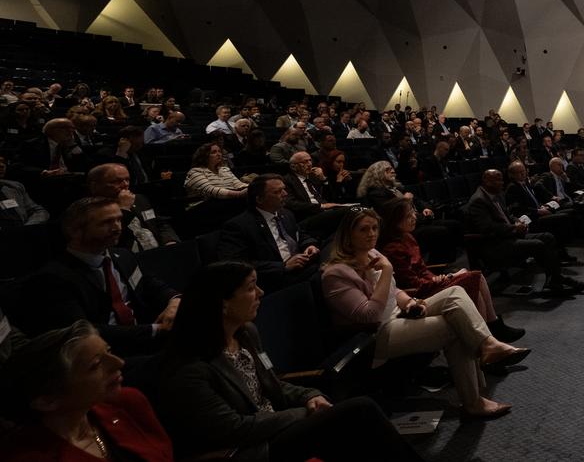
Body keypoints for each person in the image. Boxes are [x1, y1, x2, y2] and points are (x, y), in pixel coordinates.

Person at [155, 261, 420, 461]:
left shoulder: (245, 333)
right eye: (250, 288)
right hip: (249, 449)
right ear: (223, 304)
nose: (261, 293)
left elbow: (273, 384)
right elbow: (233, 429)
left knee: (355, 432)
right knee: (359, 411)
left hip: (274, 427)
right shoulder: (189, 366)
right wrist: (302, 414)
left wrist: (310, 396)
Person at [320, 209, 524, 419]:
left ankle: (488, 344)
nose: (371, 234)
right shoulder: (335, 274)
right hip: (375, 335)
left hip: (398, 315)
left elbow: (393, 291)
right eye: (363, 229)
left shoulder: (373, 254)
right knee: (454, 326)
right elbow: (369, 315)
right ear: (348, 235)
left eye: (374, 228)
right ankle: (473, 401)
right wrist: (387, 271)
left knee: (455, 293)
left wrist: (410, 302)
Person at [2, 321, 175, 461]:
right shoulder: (27, 456)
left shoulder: (128, 401)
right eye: (96, 365)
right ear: (47, 401)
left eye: (108, 351)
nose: (119, 363)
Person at [29, 197, 180, 356]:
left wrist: (175, 301)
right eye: (106, 222)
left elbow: (152, 286)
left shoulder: (123, 256)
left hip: (146, 340)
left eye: (119, 220)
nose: (117, 227)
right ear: (74, 231)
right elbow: (82, 331)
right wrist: (156, 330)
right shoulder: (53, 278)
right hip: (106, 354)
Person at [376, 198, 524, 343]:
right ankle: (491, 330)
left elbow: (422, 269)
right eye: (408, 216)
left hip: (429, 283)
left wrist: (438, 278)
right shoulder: (393, 249)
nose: (414, 217)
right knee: (474, 278)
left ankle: (490, 330)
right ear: (395, 221)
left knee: (474, 279)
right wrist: (443, 279)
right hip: (417, 294)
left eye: (413, 213)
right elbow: (411, 283)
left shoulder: (407, 237)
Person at [465, 169, 584, 297]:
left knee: (548, 237)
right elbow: (488, 228)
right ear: (486, 181)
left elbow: (507, 215)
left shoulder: (496, 194)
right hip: (494, 244)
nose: (502, 182)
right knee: (537, 244)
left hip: (508, 236)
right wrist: (514, 228)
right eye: (498, 180)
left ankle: (555, 278)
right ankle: (556, 279)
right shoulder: (479, 200)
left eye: (501, 179)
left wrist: (517, 221)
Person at [215, 175, 320, 292]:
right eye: (277, 192)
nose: (285, 194)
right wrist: (283, 266)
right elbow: (235, 264)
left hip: (302, 266)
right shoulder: (238, 226)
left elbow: (300, 234)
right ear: (259, 199)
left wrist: (309, 245)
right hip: (275, 279)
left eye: (284, 189)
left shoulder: (286, 213)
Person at [87, 162, 178, 251]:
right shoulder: (92, 210)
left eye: (127, 180)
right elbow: (110, 240)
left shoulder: (139, 199)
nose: (125, 184)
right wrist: (124, 208)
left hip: (158, 251)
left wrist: (170, 241)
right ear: (95, 186)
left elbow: (159, 223)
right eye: (117, 181)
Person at [184, 142, 250, 200]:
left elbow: (238, 185)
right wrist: (239, 194)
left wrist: (252, 187)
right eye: (214, 152)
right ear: (204, 156)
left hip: (227, 201)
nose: (219, 154)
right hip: (204, 205)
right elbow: (210, 190)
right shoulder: (195, 172)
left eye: (219, 151)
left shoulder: (224, 169)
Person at [0, 153, 50, 227]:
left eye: (3, 162)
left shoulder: (15, 186)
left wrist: (26, 228)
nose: (1, 165)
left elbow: (39, 211)